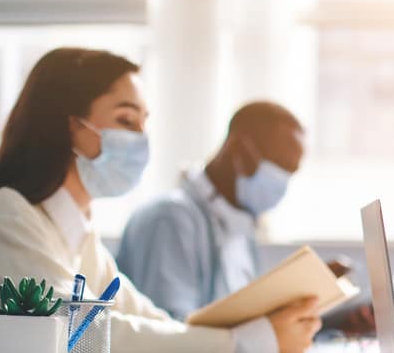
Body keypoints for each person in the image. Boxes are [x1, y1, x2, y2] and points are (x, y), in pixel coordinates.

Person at [0, 48, 320, 353]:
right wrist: (249, 345)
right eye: (126, 120)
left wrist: (267, 332)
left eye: (144, 122)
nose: (142, 139)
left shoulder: (77, 232)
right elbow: (85, 337)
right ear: (69, 126)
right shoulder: (3, 216)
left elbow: (153, 322)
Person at [117, 101, 356, 319]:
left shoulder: (241, 226)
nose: (282, 184)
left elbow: (242, 321)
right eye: (280, 168)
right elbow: (170, 333)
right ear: (239, 151)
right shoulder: (169, 219)